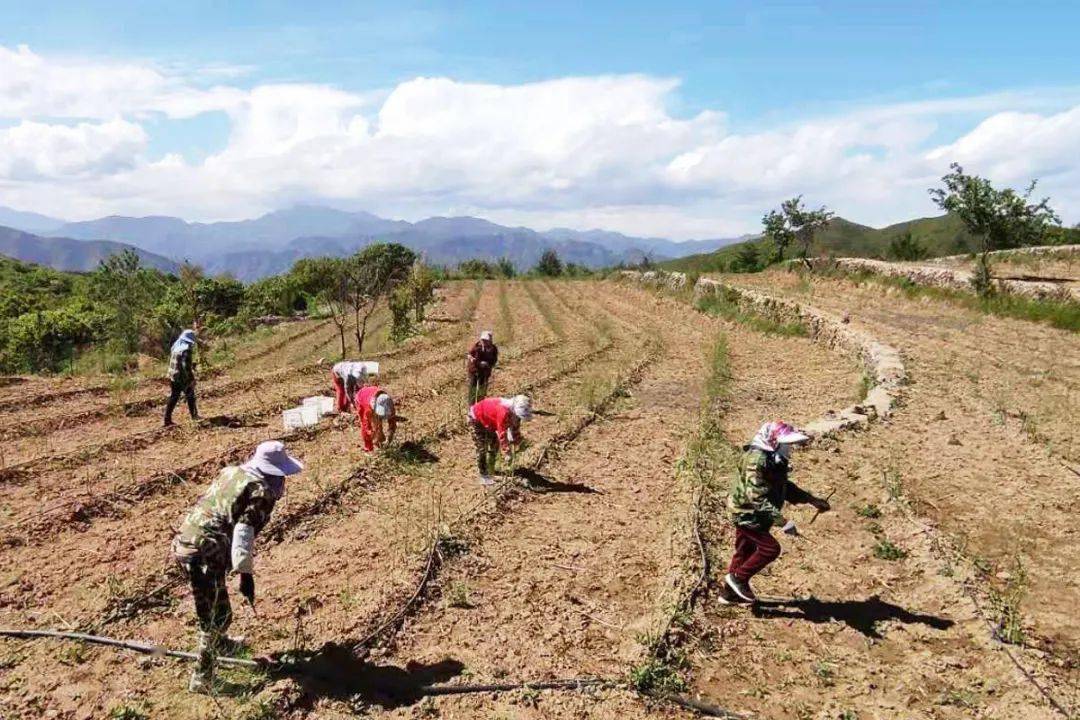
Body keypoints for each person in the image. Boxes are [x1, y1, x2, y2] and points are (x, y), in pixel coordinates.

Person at [172, 440, 303, 693]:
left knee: (218, 606)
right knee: (213, 616)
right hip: (205, 552)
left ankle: (220, 644)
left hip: (186, 541)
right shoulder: (261, 492)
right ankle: (203, 677)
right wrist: (246, 575)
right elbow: (244, 531)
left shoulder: (231, 472)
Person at [722, 421, 831, 604]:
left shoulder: (774, 459)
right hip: (746, 513)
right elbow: (755, 497)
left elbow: (784, 487)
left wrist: (812, 500)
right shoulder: (756, 461)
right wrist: (783, 522)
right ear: (774, 441)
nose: (790, 449)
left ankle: (728, 595)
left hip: (757, 513)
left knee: (744, 551)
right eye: (787, 444)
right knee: (770, 549)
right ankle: (738, 579)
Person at [468, 394, 533, 486]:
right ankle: (483, 475)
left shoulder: (515, 415)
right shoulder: (503, 412)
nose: (518, 419)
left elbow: (515, 430)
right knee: (482, 447)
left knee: (494, 445)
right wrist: (507, 452)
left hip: (489, 421)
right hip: (476, 419)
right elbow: (502, 434)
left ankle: (491, 469)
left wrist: (519, 442)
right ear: (514, 410)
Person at [164, 329, 200, 427]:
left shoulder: (176, 347)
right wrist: (191, 379)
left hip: (173, 376)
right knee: (190, 395)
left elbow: (180, 362)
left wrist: (191, 364)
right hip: (181, 377)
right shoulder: (186, 349)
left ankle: (167, 419)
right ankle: (194, 416)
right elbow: (185, 366)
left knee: (174, 397)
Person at [355, 384, 397, 452]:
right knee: (367, 426)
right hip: (361, 398)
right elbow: (366, 426)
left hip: (373, 395)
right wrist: (373, 434)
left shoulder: (389, 402)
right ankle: (368, 448)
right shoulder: (368, 408)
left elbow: (392, 420)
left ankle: (380, 441)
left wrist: (389, 438)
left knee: (378, 426)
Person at [466, 331, 499, 404]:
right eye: (483, 340)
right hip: (474, 370)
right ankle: (472, 406)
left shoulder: (493, 349)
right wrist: (477, 362)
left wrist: (488, 364)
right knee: (473, 388)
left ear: (490, 340)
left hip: (485, 371)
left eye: (486, 340)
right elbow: (470, 355)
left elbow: (494, 359)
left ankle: (481, 404)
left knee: (482, 389)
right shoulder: (477, 347)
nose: (484, 342)